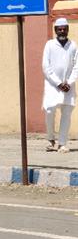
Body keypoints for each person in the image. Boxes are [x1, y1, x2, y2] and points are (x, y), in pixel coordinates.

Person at [42, 18, 78, 153]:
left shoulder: (73, 45)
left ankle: (62, 143)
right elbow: (46, 67)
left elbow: (76, 66)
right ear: (55, 30)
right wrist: (58, 83)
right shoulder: (49, 45)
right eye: (59, 29)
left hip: (68, 86)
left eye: (64, 28)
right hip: (53, 85)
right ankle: (51, 139)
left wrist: (69, 82)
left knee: (66, 113)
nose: (62, 31)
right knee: (50, 110)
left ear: (68, 29)